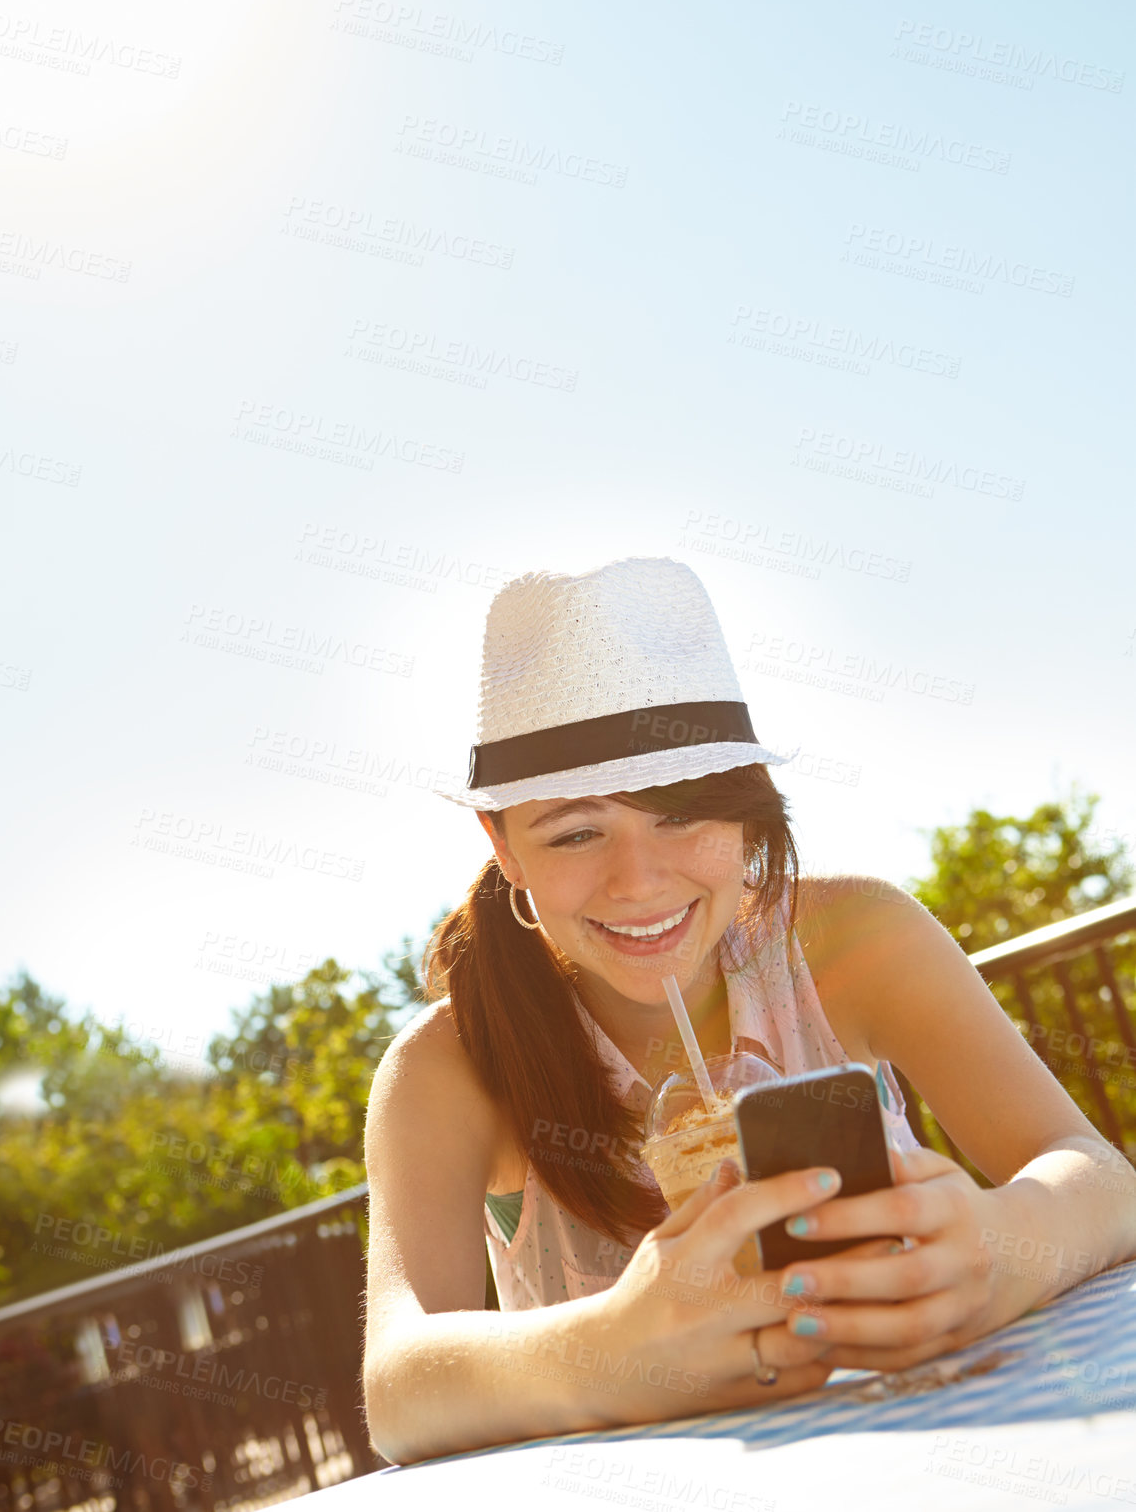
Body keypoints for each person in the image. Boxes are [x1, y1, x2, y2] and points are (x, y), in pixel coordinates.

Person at [362, 557, 1136, 1465]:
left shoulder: (855, 937)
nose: (639, 882)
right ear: (504, 848)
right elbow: (397, 1389)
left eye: (684, 813)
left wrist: (1003, 1245)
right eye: (576, 833)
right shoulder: (449, 1064)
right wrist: (609, 1350)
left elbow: (1100, 1175)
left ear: (747, 809)